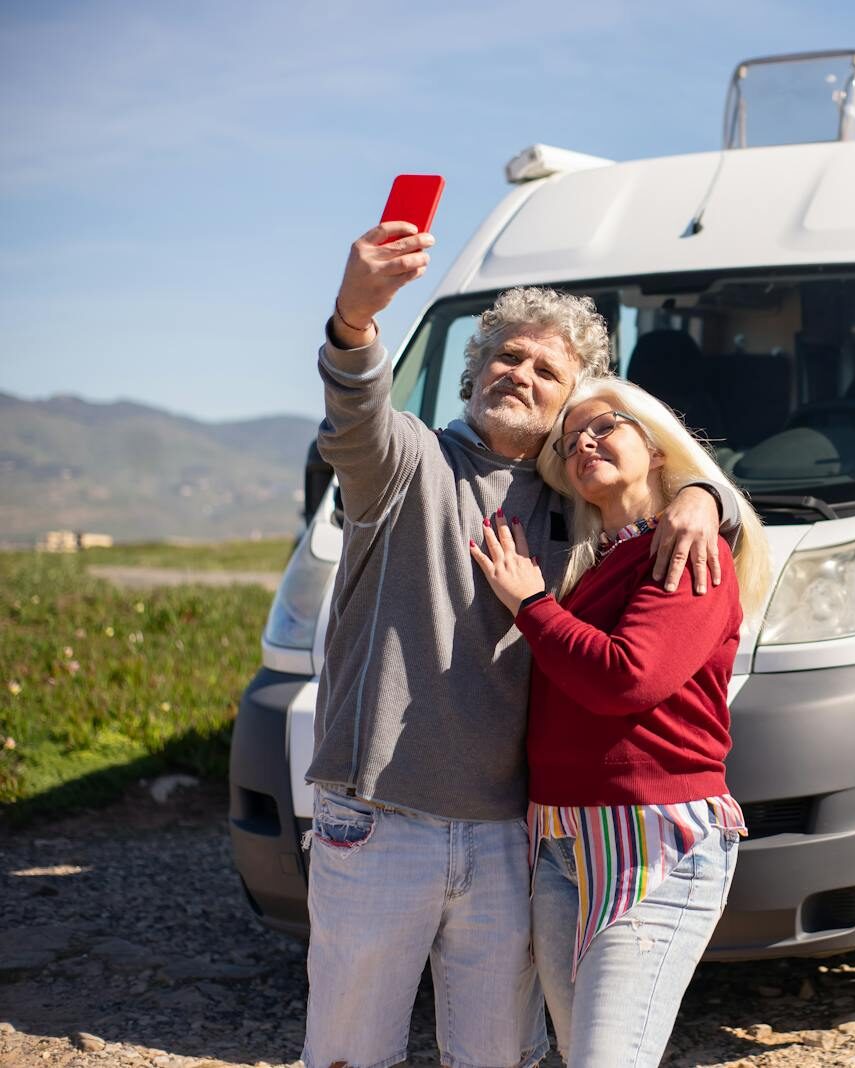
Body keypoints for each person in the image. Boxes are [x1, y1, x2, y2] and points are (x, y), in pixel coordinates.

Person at [302, 221, 739, 1068]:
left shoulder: (571, 509)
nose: (522, 374)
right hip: (380, 820)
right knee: (352, 1052)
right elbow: (356, 409)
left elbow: (647, 491)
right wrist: (355, 318)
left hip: (514, 833)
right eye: (508, 357)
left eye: (548, 371)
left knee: (501, 1056)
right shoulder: (406, 464)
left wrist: (701, 495)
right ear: (475, 371)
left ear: (568, 406)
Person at [469, 376, 772, 1067]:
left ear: (657, 444)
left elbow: (627, 678)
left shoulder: (690, 548)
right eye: (571, 441)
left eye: (603, 427)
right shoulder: (589, 565)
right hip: (561, 840)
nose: (584, 443)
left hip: (654, 838)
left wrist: (531, 607)